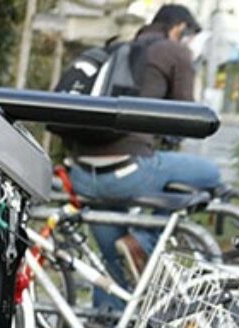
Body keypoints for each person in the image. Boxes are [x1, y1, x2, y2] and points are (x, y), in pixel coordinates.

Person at [65, 3, 221, 305]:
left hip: (82, 173)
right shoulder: (174, 52)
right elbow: (187, 120)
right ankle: (144, 239)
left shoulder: (119, 49)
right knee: (209, 174)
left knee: (112, 265)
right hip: (130, 170)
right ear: (179, 29)